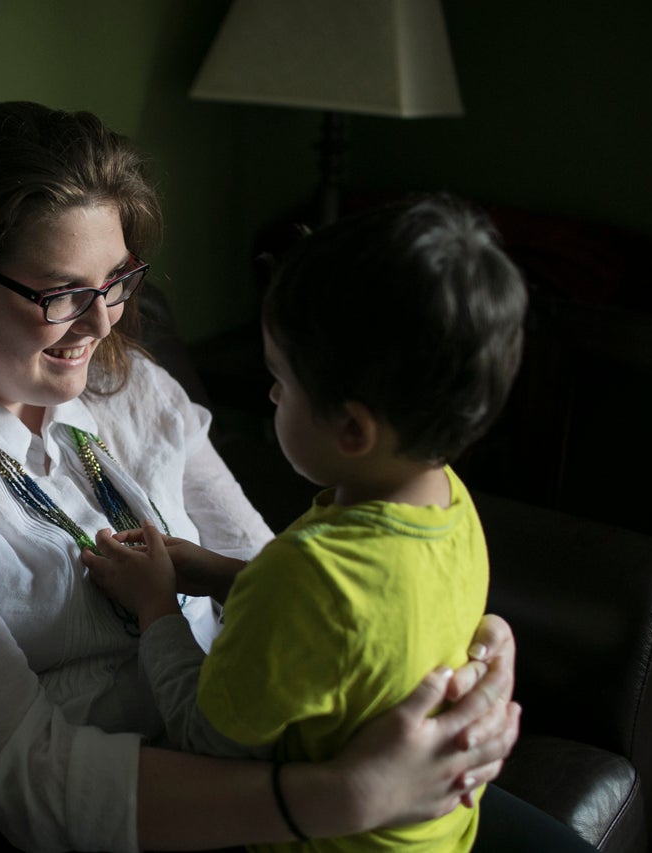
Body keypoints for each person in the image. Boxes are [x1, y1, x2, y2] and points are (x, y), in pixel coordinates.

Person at [0, 101, 520, 853]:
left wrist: (472, 656)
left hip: (247, 780)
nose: (102, 326)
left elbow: (291, 586)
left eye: (119, 281)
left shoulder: (128, 384)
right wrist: (349, 795)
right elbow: (31, 779)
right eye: (60, 294)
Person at [84, 195, 535, 852]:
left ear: (353, 428)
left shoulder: (308, 574)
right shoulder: (450, 504)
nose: (271, 395)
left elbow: (206, 744)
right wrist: (218, 572)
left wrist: (157, 605)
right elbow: (348, 634)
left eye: (281, 379)